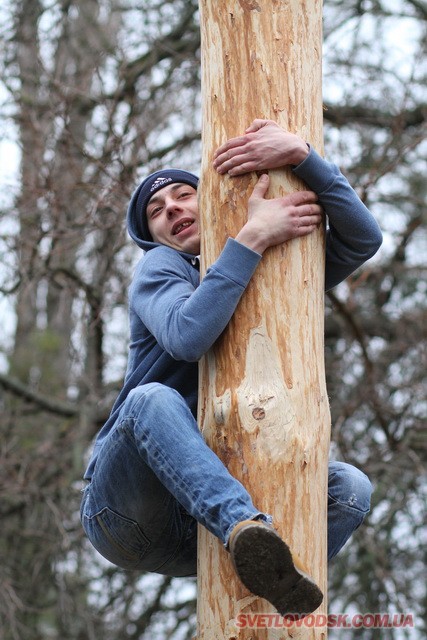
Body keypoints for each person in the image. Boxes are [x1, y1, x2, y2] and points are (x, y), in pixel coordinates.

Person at [80, 119, 382, 617]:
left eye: (183, 194)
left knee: (350, 487)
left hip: (202, 525)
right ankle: (247, 529)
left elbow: (363, 238)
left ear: (214, 198)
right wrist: (254, 237)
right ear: (151, 235)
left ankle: (273, 581)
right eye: (157, 211)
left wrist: (302, 156)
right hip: (128, 511)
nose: (172, 208)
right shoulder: (164, 268)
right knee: (150, 399)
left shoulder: (273, 272)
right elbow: (187, 336)